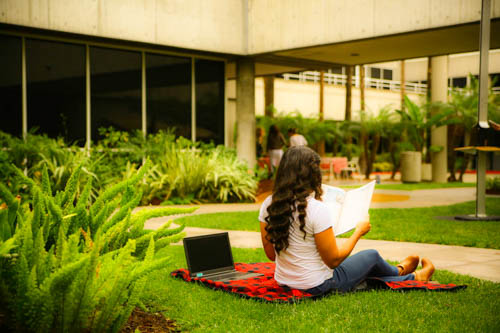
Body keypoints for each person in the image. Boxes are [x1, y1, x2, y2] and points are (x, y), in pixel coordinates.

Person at [258, 146, 435, 295]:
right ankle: (408, 274)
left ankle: (403, 270)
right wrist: (358, 231)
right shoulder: (316, 209)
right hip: (318, 286)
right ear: (312, 175)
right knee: (370, 257)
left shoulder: (268, 204)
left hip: (284, 282)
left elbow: (271, 255)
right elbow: (333, 261)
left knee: (364, 267)